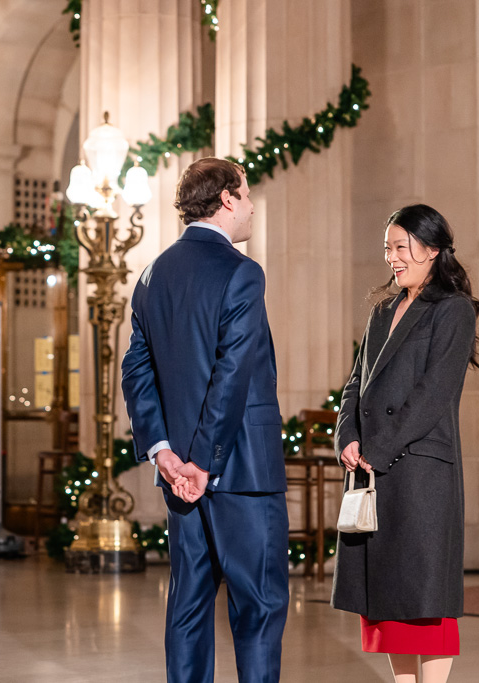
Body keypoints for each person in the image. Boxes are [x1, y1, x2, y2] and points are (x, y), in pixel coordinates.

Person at [121, 157, 289, 683]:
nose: (253, 204)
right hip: (239, 472)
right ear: (226, 200)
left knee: (189, 607)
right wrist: (202, 463)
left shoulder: (153, 274)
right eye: (247, 192)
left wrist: (163, 452)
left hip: (178, 476)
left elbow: (136, 369)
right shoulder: (242, 271)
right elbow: (232, 374)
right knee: (258, 609)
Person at [332, 204, 479, 683]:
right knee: (389, 601)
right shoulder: (382, 310)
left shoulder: (453, 310)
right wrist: (347, 436)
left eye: (401, 247)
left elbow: (433, 396)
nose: (392, 258)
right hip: (376, 470)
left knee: (425, 602)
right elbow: (355, 384)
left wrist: (376, 449)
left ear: (432, 249)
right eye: (388, 249)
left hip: (420, 474)